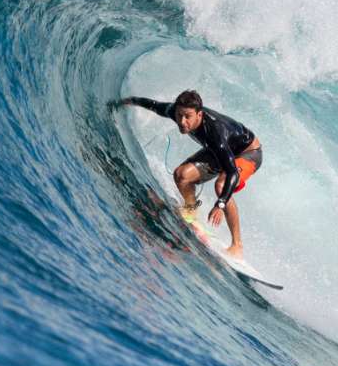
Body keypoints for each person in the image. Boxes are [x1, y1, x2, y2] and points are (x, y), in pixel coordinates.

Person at [110, 90, 262, 260]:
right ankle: (190, 210)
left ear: (199, 114)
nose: (182, 121)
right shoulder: (176, 113)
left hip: (248, 153)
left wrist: (220, 204)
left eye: (187, 116)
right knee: (181, 175)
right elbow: (153, 105)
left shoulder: (215, 134)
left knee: (221, 186)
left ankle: (237, 245)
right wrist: (129, 101)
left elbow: (232, 171)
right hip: (222, 151)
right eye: (179, 115)